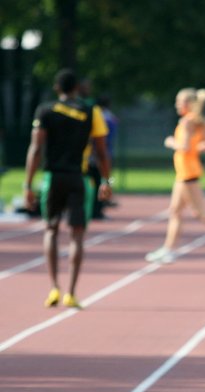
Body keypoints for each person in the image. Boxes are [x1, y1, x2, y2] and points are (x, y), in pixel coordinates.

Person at [23, 68, 113, 309]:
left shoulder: (45, 110)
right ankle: (71, 292)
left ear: (56, 88)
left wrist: (28, 184)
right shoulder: (90, 111)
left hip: (52, 177)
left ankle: (54, 287)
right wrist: (106, 181)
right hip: (78, 178)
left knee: (50, 230)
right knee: (77, 235)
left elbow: (35, 149)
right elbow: (101, 150)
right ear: (77, 88)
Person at [145, 88, 205, 264]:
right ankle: (168, 249)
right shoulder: (195, 121)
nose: (176, 105)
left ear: (188, 104)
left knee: (200, 212)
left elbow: (184, 147)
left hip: (187, 173)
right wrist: (194, 148)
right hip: (185, 171)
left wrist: (171, 142)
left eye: (179, 102)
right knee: (175, 211)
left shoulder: (188, 122)